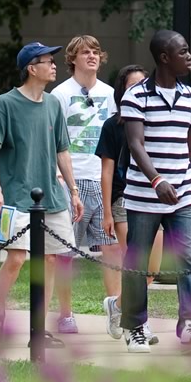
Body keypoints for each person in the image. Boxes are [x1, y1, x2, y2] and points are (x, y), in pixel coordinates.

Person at [0, 41, 83, 344]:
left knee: (52, 259)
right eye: (47, 61)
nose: (54, 66)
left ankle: (38, 329)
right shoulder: (6, 103)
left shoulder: (53, 104)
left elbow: (62, 151)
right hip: (17, 195)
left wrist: (74, 191)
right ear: (31, 68)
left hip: (52, 196)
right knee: (16, 258)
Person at [120, 29, 191, 353]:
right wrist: (157, 180)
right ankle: (133, 326)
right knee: (138, 262)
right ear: (164, 58)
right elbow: (135, 144)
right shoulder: (136, 96)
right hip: (145, 194)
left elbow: (190, 145)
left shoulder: (189, 96)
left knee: (189, 259)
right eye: (182, 51)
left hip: (182, 192)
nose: (189, 56)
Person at [51, 35, 118, 334]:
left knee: (112, 249)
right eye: (84, 52)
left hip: (102, 178)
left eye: (95, 51)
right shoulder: (60, 94)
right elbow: (51, 138)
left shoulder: (110, 93)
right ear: (72, 60)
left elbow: (117, 138)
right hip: (70, 180)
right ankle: (66, 314)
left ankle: (115, 310)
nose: (91, 56)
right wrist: (57, 174)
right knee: (65, 252)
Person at [95, 64, 163, 345]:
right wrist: (107, 211)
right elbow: (107, 171)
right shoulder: (114, 125)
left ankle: (119, 306)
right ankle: (138, 324)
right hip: (125, 198)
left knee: (151, 270)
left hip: (155, 198)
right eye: (132, 86)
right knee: (136, 264)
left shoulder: (157, 119)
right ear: (122, 91)